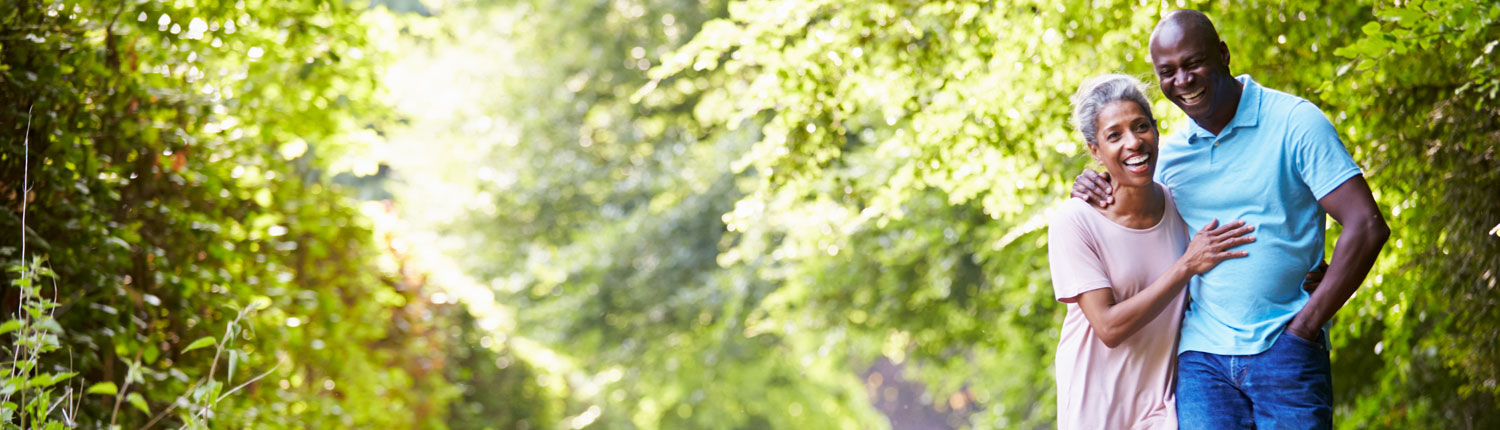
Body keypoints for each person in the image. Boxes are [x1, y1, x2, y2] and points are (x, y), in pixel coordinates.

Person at [1071, 10, 1390, 429]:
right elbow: (1128, 212)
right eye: (1167, 72)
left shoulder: (1294, 122)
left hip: (1287, 347)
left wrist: (1307, 326)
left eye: (1192, 63)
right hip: (1202, 359)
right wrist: (1088, 183)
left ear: (1222, 54)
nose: (1182, 81)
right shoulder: (1169, 158)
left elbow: (1366, 225)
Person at [1049, 73, 1256, 430]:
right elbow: (1109, 327)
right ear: (1095, 150)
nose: (1133, 142)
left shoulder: (1181, 205)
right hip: (1096, 409)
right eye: (1114, 135)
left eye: (1140, 126)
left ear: (1156, 131)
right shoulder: (1075, 221)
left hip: (1163, 407)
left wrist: (1309, 271)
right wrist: (1186, 266)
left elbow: (1242, 238)